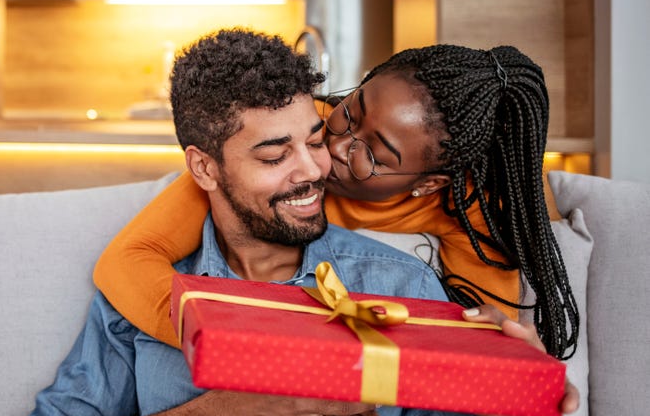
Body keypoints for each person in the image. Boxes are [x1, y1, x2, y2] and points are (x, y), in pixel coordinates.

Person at [16, 29, 577, 416]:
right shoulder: (147, 288)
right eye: (274, 155)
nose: (319, 165)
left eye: (313, 139)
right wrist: (218, 415)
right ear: (205, 168)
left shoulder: (406, 288)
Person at [93, 42, 580, 360]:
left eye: (373, 155)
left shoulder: (466, 208)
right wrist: (233, 343)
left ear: (428, 185)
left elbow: (478, 343)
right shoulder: (299, 133)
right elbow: (127, 261)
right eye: (351, 112)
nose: (333, 150)